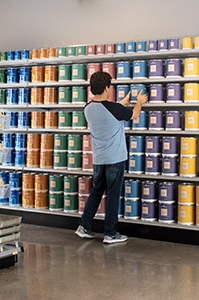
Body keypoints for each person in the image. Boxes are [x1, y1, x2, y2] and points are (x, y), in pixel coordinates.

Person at [75, 71, 147, 244]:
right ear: (107, 88)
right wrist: (139, 102)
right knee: (113, 195)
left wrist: (123, 103)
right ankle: (110, 233)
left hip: (99, 159)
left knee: (96, 192)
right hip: (115, 158)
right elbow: (134, 114)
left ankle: (84, 226)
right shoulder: (114, 109)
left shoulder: (88, 108)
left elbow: (109, 109)